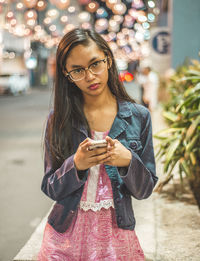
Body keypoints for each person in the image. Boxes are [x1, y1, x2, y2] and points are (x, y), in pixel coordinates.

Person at [38, 28, 158, 261]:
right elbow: (50, 187)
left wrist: (128, 162)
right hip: (63, 238)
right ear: (66, 74)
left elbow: (145, 190)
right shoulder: (59, 119)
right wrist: (76, 164)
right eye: (78, 70)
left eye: (95, 64)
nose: (90, 76)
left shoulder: (138, 116)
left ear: (108, 60)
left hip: (117, 237)